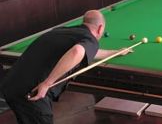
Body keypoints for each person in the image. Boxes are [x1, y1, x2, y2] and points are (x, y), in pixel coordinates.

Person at [0, 10, 132, 124]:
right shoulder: (90, 39)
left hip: (11, 84)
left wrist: (115, 52)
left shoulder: (64, 31)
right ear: (100, 28)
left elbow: (85, 51)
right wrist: (47, 83)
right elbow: (77, 52)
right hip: (32, 92)